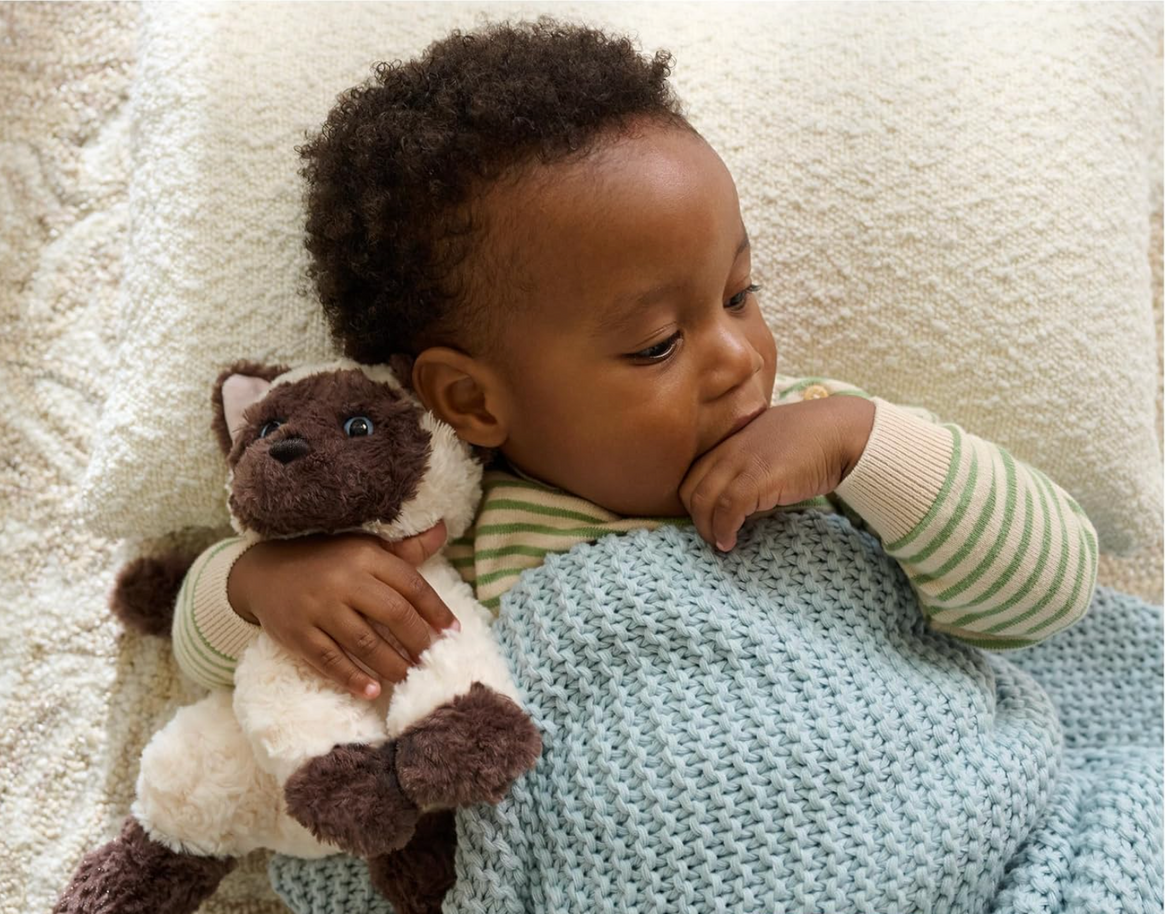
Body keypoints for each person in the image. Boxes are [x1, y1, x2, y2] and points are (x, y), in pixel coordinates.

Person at [171, 16, 1096, 720]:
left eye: (740, 293)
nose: (738, 357)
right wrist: (266, 586)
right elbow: (201, 656)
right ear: (471, 399)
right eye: (658, 344)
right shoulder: (446, 532)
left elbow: (1048, 591)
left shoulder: (829, 448)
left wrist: (865, 445)